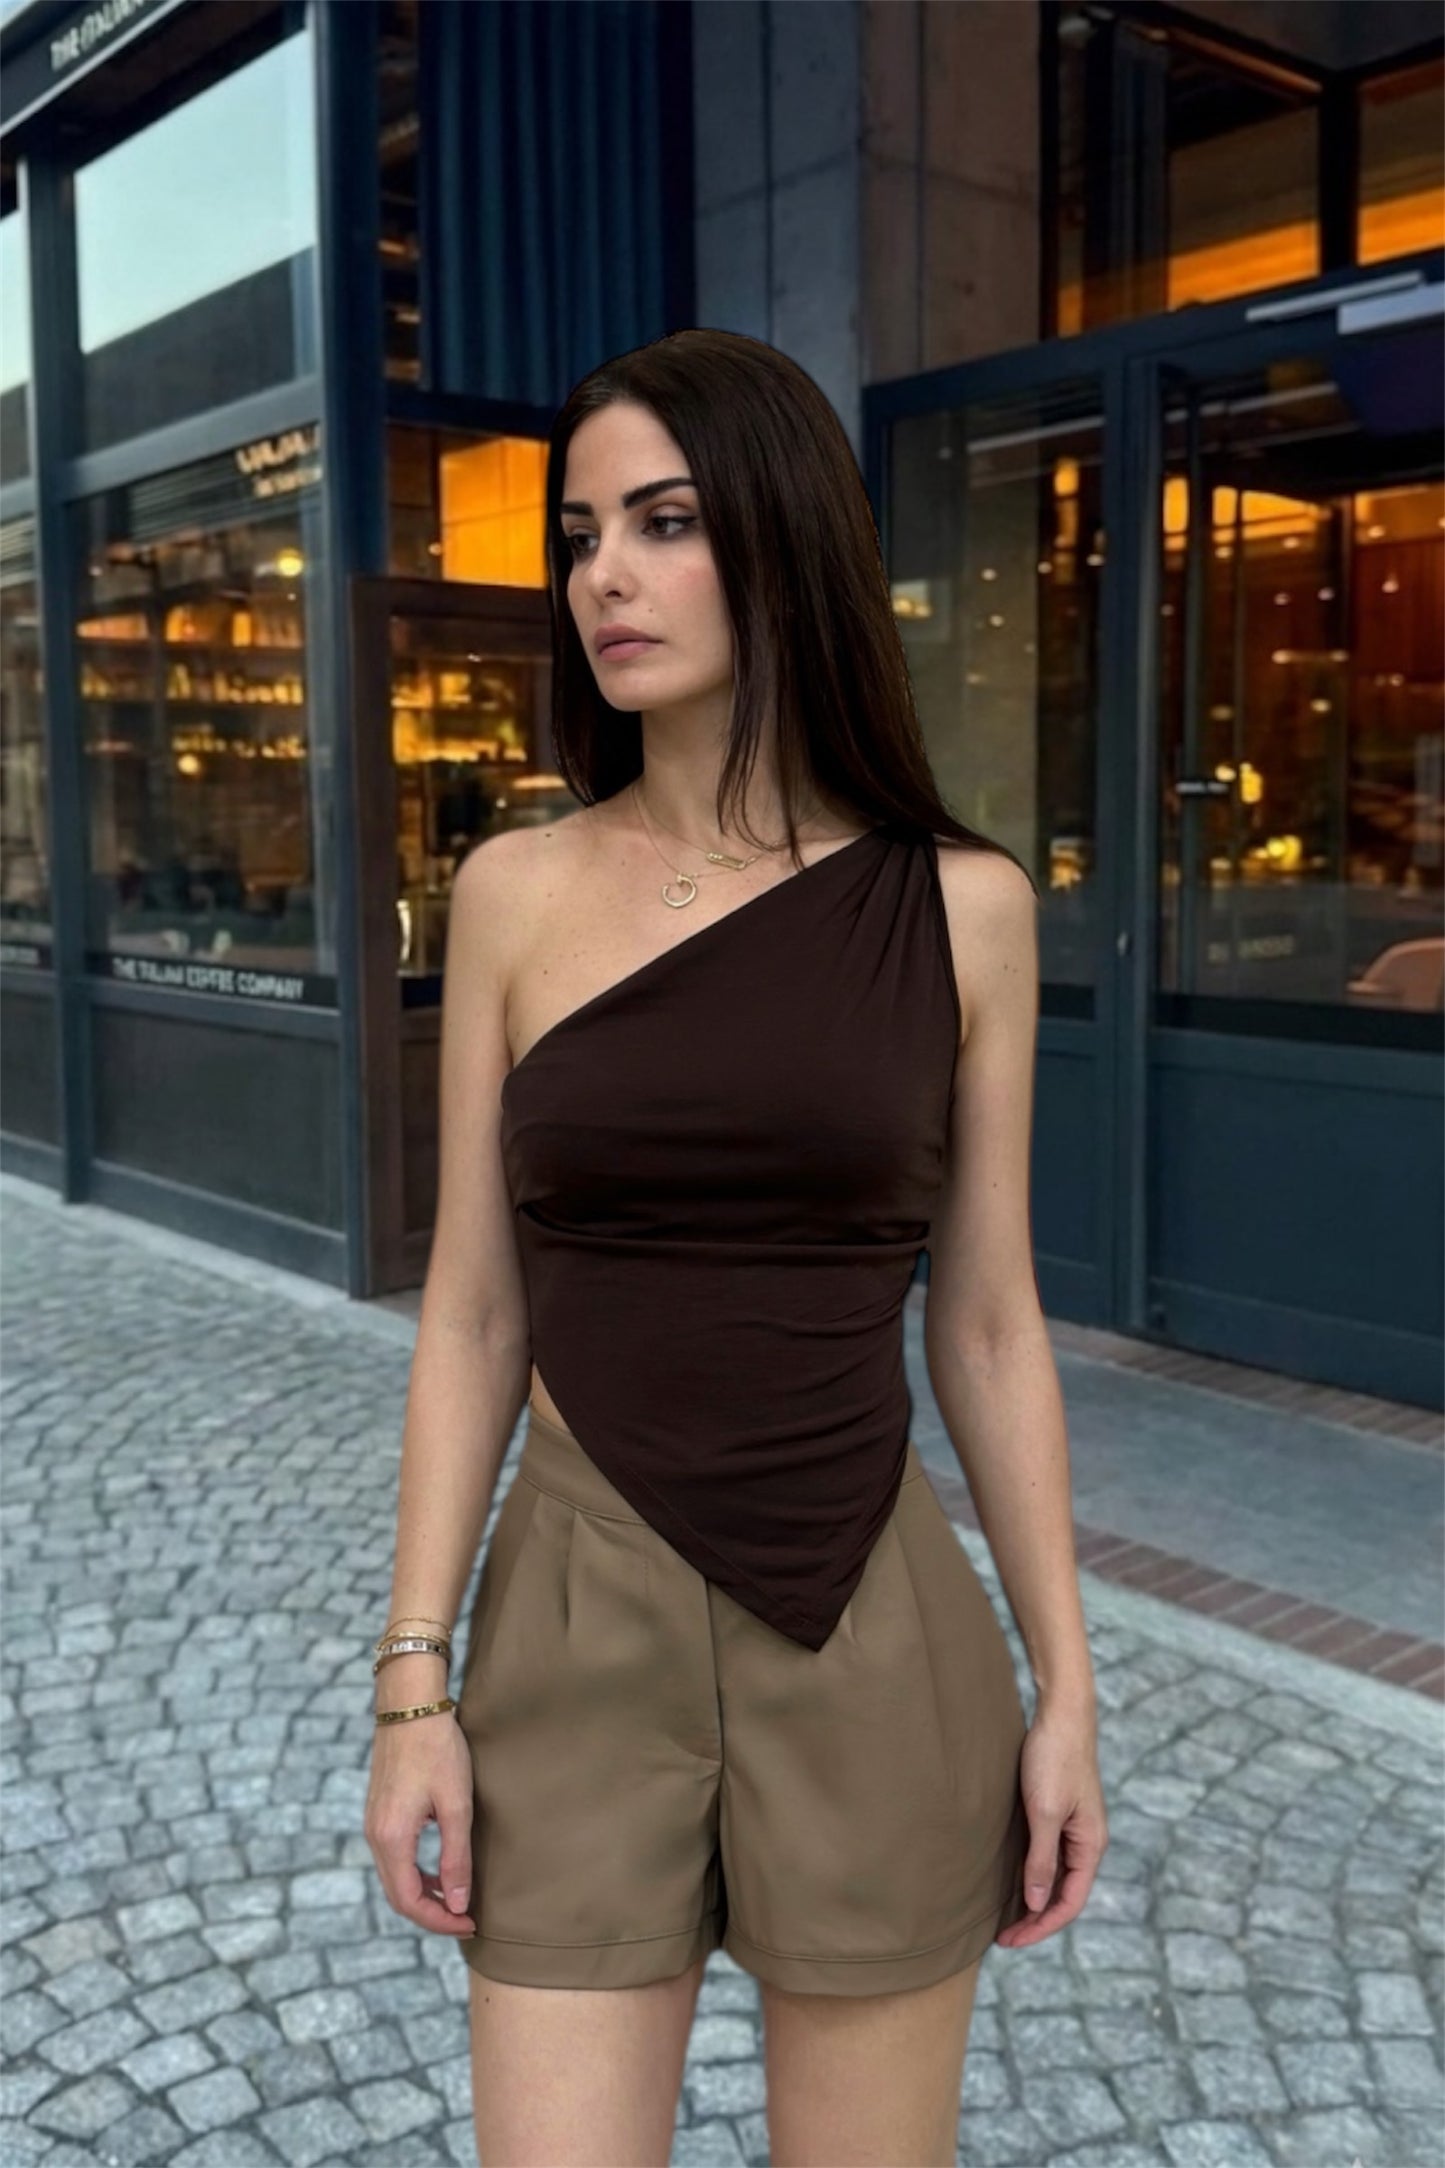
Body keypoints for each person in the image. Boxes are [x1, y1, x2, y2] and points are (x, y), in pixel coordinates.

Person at [365, 328, 1107, 2168]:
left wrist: (1069, 1686)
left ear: (779, 542)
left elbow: (993, 1326)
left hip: (872, 1625)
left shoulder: (966, 911)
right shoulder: (514, 893)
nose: (601, 572)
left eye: (663, 522)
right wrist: (411, 1684)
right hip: (567, 1620)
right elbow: (469, 1315)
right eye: (579, 530)